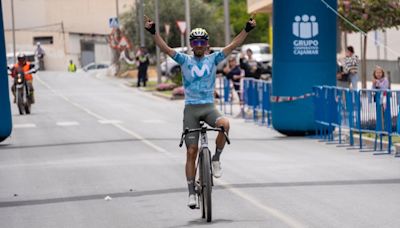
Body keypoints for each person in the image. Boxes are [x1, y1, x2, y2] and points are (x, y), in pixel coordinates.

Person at [144, 14, 256, 208]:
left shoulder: (213, 59)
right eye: (195, 42)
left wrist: (246, 29)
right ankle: (191, 193)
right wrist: (154, 33)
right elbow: (165, 48)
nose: (198, 45)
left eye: (202, 42)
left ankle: (216, 159)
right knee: (191, 152)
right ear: (191, 44)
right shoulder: (184, 59)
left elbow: (232, 45)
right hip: (191, 110)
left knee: (225, 124)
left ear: (206, 44)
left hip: (208, 107)